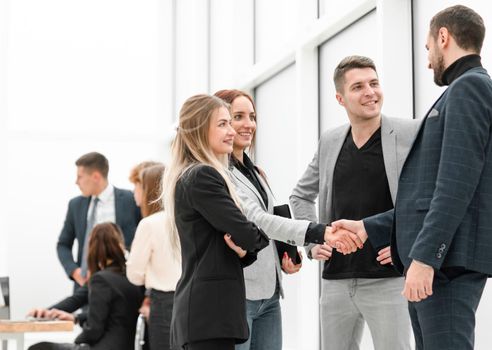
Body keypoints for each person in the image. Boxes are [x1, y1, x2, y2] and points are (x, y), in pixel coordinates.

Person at [331, 5, 492, 350]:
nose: (428, 59)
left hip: (445, 264)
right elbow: (430, 194)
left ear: (444, 37)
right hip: (440, 262)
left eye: (428, 47)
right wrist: (368, 227)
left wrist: (425, 258)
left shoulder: (469, 89)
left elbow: (455, 185)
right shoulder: (461, 91)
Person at [290, 55, 420, 350]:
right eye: (358, 87)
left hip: (388, 278)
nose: (370, 92)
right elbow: (300, 195)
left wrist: (405, 242)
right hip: (336, 280)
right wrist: (313, 240)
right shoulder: (330, 141)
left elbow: (424, 198)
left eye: (374, 83)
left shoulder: (409, 133)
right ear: (340, 98)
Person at [215, 89, 342, 350]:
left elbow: (272, 219)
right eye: (237, 116)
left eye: (252, 116)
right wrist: (318, 232)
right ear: (222, 123)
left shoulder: (257, 171)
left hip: (270, 294)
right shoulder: (219, 174)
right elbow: (259, 221)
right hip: (241, 294)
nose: (248, 124)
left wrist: (285, 255)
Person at [162, 94, 273, 350]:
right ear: (201, 130)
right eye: (222, 124)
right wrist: (250, 243)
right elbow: (247, 234)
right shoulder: (202, 175)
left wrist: (245, 251)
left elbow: (232, 241)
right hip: (208, 315)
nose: (231, 131)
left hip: (206, 317)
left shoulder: (194, 174)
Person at [29, 222, 144, 350]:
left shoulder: (101, 280)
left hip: (104, 346)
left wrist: (77, 342)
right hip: (129, 345)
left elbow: (94, 329)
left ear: (94, 248)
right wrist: (73, 317)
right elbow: (113, 315)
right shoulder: (132, 276)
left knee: (39, 348)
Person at [57, 152, 141, 289]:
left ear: (95, 176)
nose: (76, 182)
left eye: (80, 177)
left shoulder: (130, 200)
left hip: (123, 286)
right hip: (86, 287)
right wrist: (74, 271)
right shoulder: (75, 205)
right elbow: (63, 244)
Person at [127, 164, 181, 350]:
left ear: (148, 189)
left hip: (164, 303)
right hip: (193, 300)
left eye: (137, 186)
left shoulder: (149, 224)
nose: (134, 192)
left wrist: (152, 273)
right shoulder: (187, 217)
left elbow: (134, 274)